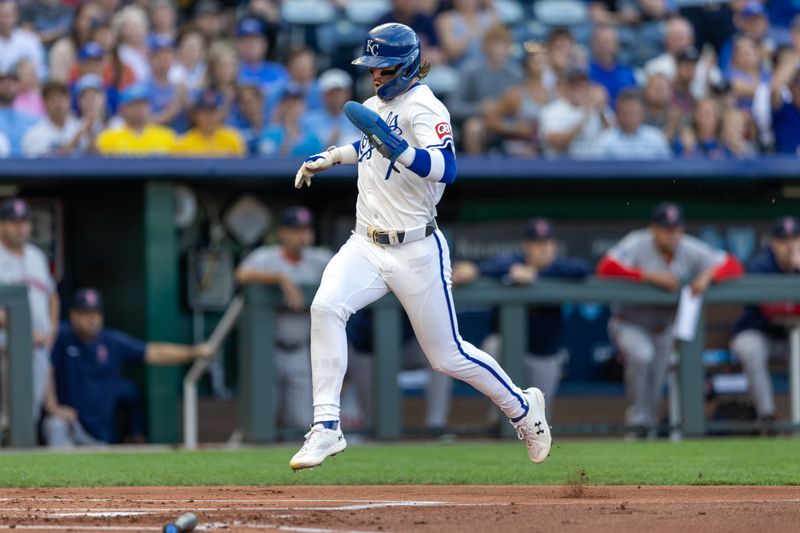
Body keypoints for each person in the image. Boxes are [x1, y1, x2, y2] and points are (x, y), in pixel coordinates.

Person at [289, 23, 551, 470]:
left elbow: (446, 168)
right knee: (326, 308)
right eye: (371, 66)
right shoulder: (377, 105)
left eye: (383, 66)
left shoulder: (426, 107)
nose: (374, 75)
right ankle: (326, 427)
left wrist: (397, 149)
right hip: (366, 242)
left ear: (407, 64)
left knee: (447, 356)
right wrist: (334, 156)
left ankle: (523, 410)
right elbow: (369, 144)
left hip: (416, 247)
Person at [596, 202, 743, 438]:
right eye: (665, 228)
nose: (672, 234)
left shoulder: (688, 248)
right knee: (641, 355)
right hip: (630, 322)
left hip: (663, 328)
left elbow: (733, 264)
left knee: (656, 386)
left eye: (676, 228)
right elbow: (606, 268)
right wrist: (647, 275)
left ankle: (646, 429)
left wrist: (708, 275)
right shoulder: (638, 242)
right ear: (653, 228)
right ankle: (636, 420)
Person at [430, 218, 591, 426]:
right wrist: (476, 270)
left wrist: (536, 275)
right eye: (537, 244)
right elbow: (482, 269)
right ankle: (496, 420)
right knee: (493, 346)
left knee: (541, 416)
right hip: (509, 349)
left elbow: (582, 269)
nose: (544, 249)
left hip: (544, 351)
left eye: (548, 243)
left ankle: (535, 436)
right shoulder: (511, 262)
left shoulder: (561, 267)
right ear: (526, 246)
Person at [44, 288, 213, 447]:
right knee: (55, 425)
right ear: (73, 315)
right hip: (72, 425)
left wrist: (193, 352)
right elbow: (45, 369)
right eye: (85, 313)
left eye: (96, 313)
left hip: (101, 434)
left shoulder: (111, 341)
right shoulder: (61, 336)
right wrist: (53, 407)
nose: (92, 319)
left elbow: (153, 352)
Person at [234, 207, 333, 430]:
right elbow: (241, 274)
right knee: (264, 415)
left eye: (306, 230)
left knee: (301, 420)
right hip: (269, 350)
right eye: (296, 230)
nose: (302, 236)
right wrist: (279, 278)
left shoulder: (320, 259)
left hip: (301, 349)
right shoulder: (266, 257)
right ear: (282, 233)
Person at [730, 216, 800, 434]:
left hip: (792, 336)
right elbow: (773, 310)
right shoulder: (761, 265)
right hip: (759, 332)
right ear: (773, 243)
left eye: (795, 239)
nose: (790, 245)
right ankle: (768, 419)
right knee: (750, 349)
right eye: (783, 240)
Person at [0, 198, 59, 427]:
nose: (20, 227)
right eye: (13, 222)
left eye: (24, 222)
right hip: (5, 349)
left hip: (39, 348)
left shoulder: (37, 256)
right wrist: (23, 331)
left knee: (29, 415)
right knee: (7, 417)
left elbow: (53, 296)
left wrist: (51, 330)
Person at [447, 23, 522, 154]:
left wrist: (504, 109)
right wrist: (480, 108)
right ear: (484, 47)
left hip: (505, 120)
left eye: (502, 44)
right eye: (493, 44)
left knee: (524, 127)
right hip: (479, 119)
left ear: (508, 47)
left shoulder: (515, 74)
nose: (497, 50)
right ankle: (475, 172)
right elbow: (452, 106)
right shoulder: (470, 70)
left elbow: (520, 106)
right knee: (473, 127)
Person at [539, 65, 610, 158]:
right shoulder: (552, 110)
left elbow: (613, 135)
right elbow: (557, 144)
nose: (579, 88)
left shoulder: (597, 107)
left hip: (593, 165)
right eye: (574, 84)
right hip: (561, 167)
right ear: (566, 86)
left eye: (583, 84)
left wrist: (601, 109)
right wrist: (584, 119)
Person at [96, 83, 177, 155]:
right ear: (122, 109)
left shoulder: (166, 136)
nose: (139, 108)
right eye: (133, 104)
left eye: (143, 104)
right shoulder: (109, 137)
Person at [593, 89, 672, 159]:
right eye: (624, 113)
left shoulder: (656, 137)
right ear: (617, 114)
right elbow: (597, 170)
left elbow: (668, 168)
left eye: (632, 112)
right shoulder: (606, 140)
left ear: (642, 113)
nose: (628, 117)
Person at [173, 89, 245, 156]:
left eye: (213, 111)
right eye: (205, 112)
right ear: (195, 115)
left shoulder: (232, 138)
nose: (210, 117)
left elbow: (242, 166)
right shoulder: (183, 143)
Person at [301, 69, 361, 149]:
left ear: (348, 94)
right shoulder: (307, 119)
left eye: (339, 93)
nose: (335, 97)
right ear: (322, 95)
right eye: (331, 94)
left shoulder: (356, 120)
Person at [21, 81, 82, 157]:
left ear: (69, 100)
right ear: (44, 103)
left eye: (61, 99)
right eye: (53, 100)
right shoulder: (34, 135)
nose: (58, 104)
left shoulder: (79, 126)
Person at [588, 24, 636, 106]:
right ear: (593, 45)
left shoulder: (627, 73)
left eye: (608, 42)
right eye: (600, 42)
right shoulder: (585, 72)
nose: (604, 47)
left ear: (616, 45)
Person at [0, 0, 46, 80]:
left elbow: (40, 72)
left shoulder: (30, 40)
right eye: (0, 16)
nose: (3, 20)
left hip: (26, 88)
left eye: (6, 15)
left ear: (16, 16)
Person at [0, 65, 37, 156]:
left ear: (17, 85)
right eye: (2, 82)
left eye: (11, 82)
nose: (7, 85)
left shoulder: (30, 119)